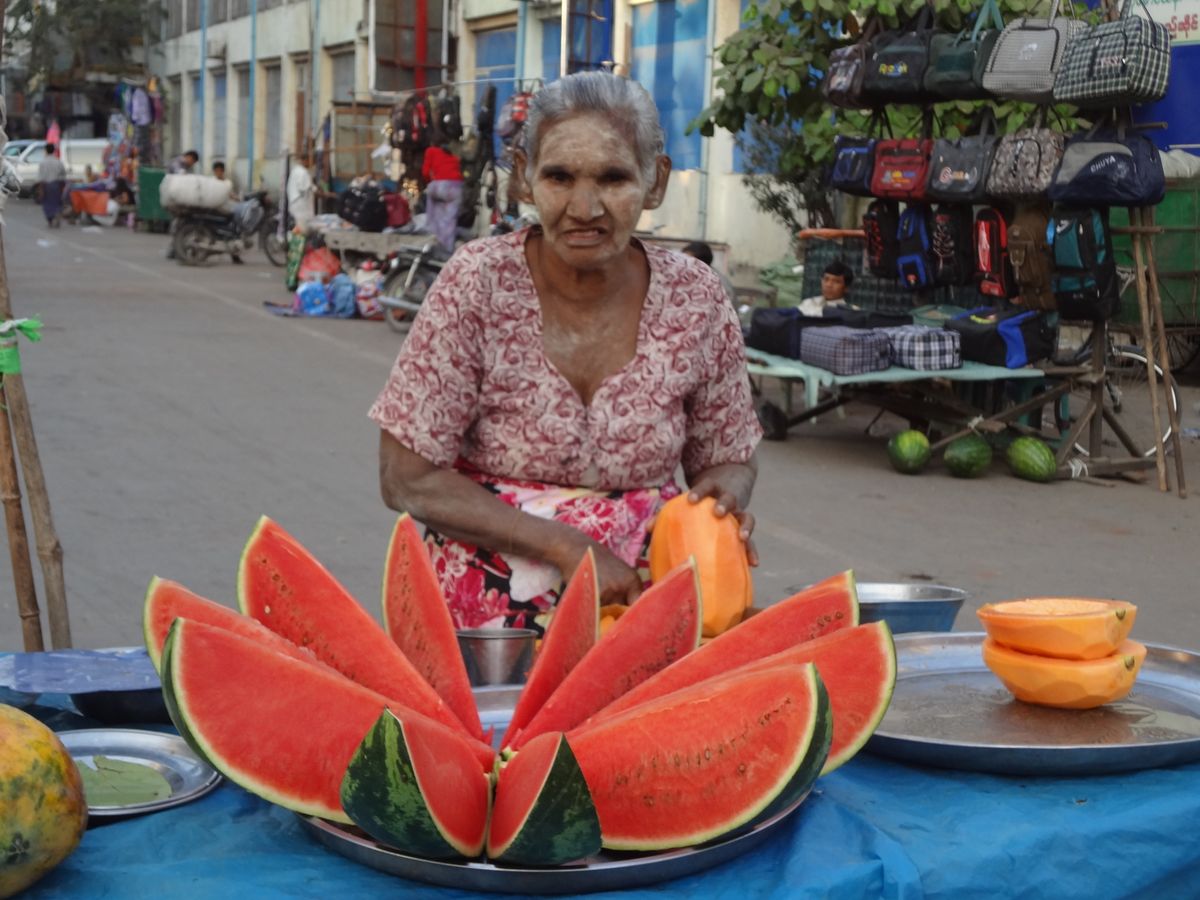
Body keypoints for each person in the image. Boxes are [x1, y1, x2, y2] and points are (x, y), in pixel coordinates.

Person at [369, 71, 761, 633]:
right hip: (484, 624)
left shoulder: (695, 297)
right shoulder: (476, 284)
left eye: (613, 177)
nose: (585, 207)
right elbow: (405, 478)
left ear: (655, 182)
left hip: (645, 610)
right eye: (559, 176)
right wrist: (563, 545)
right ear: (525, 179)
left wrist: (728, 491)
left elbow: (728, 452)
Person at [420, 142, 464, 254]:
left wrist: (429, 182)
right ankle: (448, 250)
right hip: (456, 188)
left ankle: (432, 235)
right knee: (450, 220)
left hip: (439, 186)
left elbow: (425, 172)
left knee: (434, 213)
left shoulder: (431, 150)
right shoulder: (454, 158)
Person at [165, 150, 200, 258]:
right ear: (189, 157)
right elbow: (180, 174)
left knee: (181, 222)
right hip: (174, 198)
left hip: (178, 197)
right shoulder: (177, 162)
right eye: (192, 161)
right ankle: (173, 249)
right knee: (178, 222)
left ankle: (176, 248)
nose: (191, 164)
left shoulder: (185, 166)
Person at [681, 240, 737, 305]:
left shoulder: (718, 285)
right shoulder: (690, 278)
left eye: (687, 261)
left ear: (702, 264)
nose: (683, 265)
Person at [212, 162, 244, 264]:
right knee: (234, 231)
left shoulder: (227, 183)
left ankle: (235, 255)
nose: (218, 173)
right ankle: (234, 254)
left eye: (220, 171)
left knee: (235, 229)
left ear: (223, 171)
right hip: (216, 209)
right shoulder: (211, 182)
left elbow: (231, 194)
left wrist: (236, 198)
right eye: (216, 171)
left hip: (226, 209)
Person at [36, 142, 68, 228]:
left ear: (46, 150)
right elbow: (63, 175)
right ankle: (57, 215)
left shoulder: (43, 163)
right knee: (57, 203)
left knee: (47, 204)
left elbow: (41, 178)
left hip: (46, 186)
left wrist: (40, 190)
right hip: (57, 185)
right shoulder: (58, 162)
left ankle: (50, 220)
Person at [286, 156, 316, 233]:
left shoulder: (295, 171)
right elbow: (305, 188)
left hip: (294, 203)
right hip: (300, 205)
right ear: (305, 160)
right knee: (302, 229)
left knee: (296, 227)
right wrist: (316, 190)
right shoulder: (303, 172)